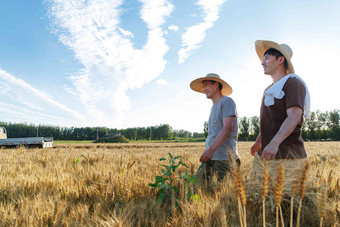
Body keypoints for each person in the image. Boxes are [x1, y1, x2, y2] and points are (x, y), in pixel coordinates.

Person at [249, 40, 311, 187]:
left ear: (280, 60)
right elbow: (269, 120)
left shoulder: (293, 83)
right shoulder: (268, 89)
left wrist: (274, 143)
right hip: (264, 154)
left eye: (267, 58)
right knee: (254, 195)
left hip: (287, 157)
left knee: (285, 204)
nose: (262, 62)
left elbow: (295, 115)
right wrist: (259, 142)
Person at [190, 73, 239, 185]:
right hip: (211, 156)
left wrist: (210, 150)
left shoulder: (227, 101)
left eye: (206, 85)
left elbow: (227, 128)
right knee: (197, 185)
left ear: (216, 84)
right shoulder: (214, 107)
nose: (204, 89)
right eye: (203, 87)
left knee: (220, 192)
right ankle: (198, 203)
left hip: (224, 158)